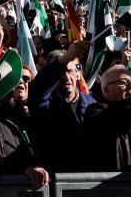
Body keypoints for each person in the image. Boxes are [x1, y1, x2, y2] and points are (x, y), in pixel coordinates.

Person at [28, 41, 95, 172]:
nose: (66, 77)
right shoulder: (44, 105)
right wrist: (67, 57)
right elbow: (38, 89)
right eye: (60, 73)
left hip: (89, 177)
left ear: (77, 74)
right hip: (57, 178)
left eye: (69, 71)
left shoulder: (92, 103)